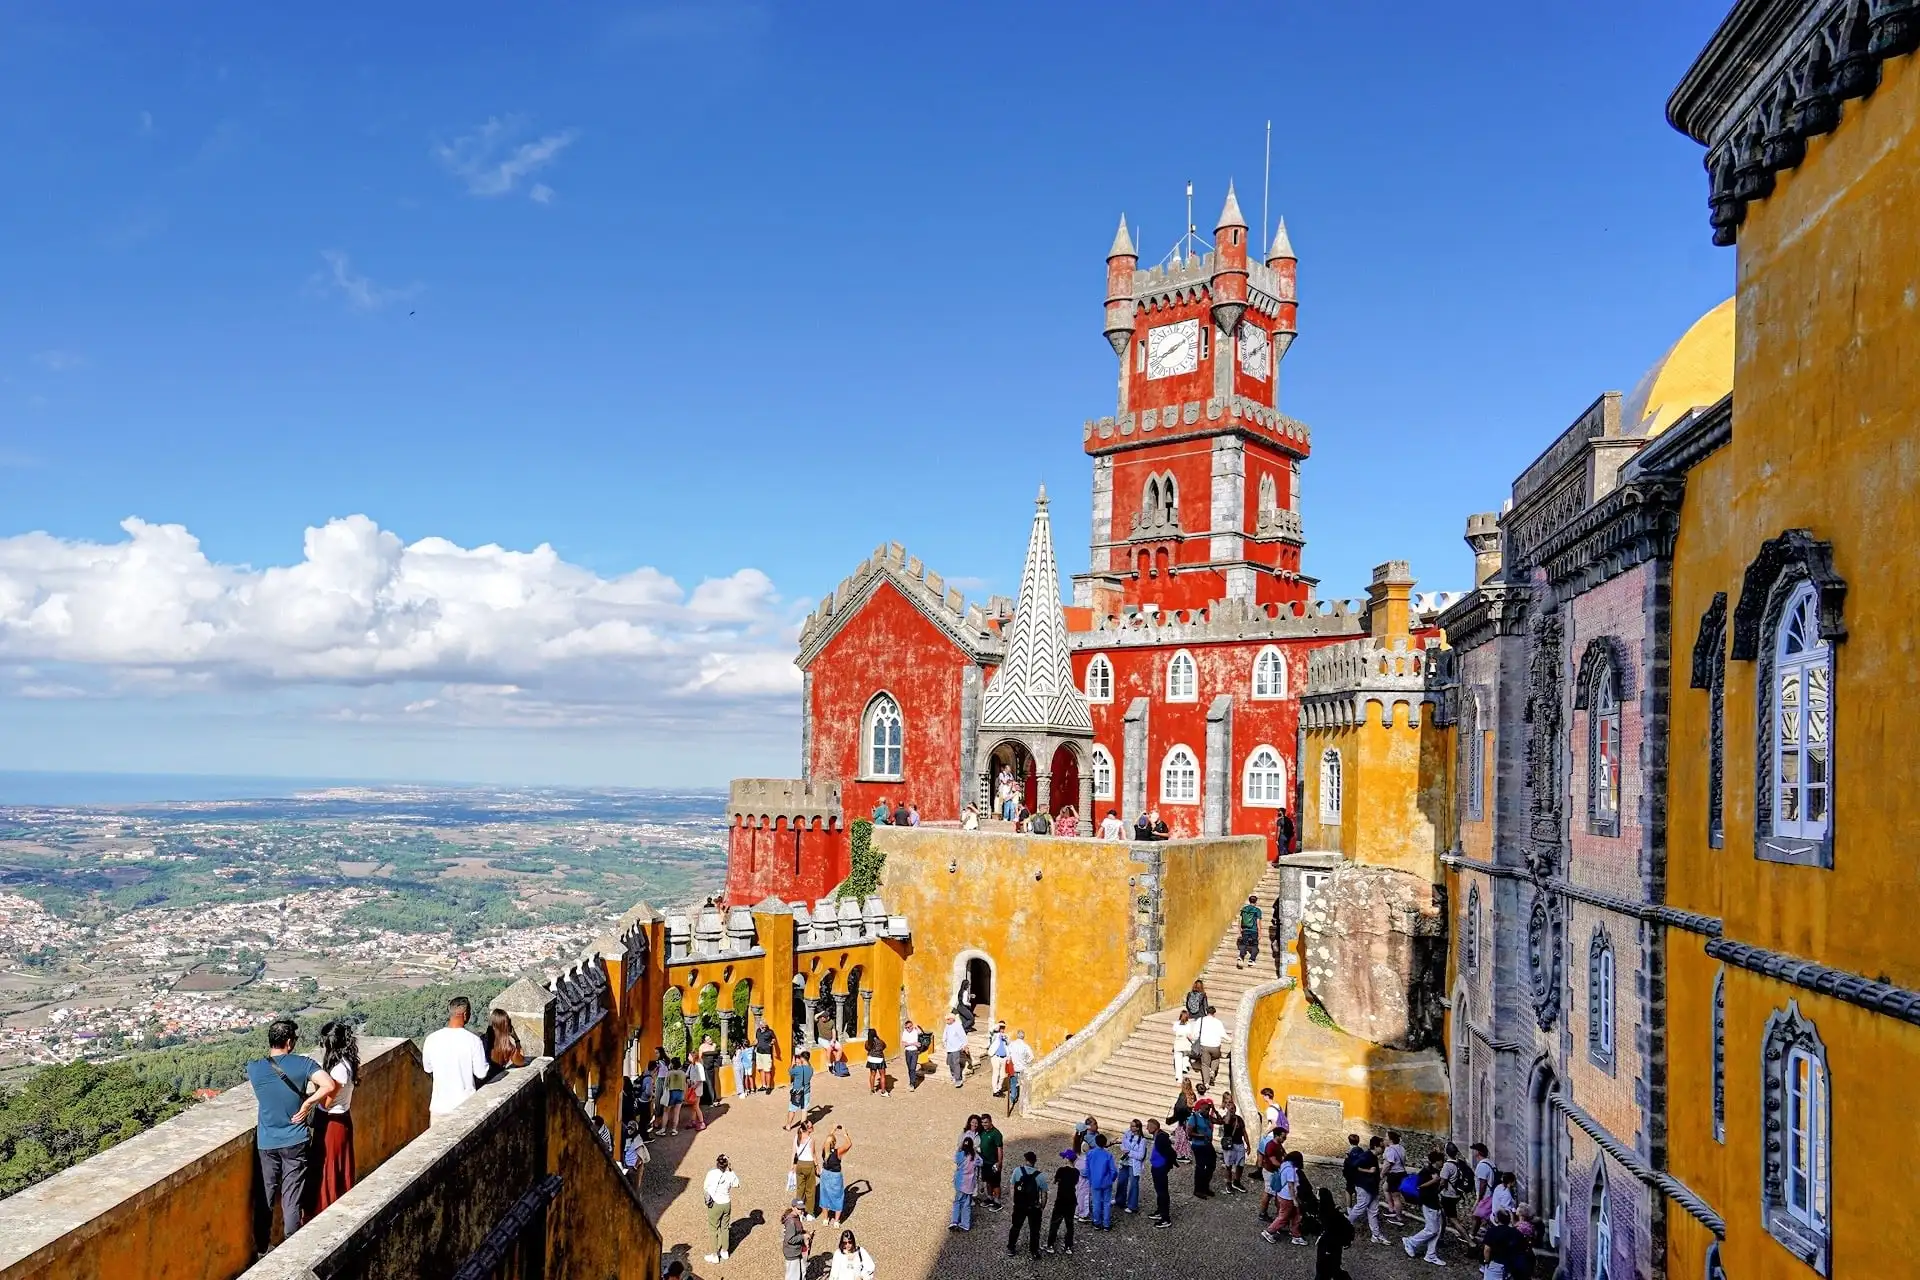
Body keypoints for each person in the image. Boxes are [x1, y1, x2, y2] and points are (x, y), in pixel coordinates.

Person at [247, 1018, 334, 1249]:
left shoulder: (254, 1068)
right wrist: (307, 1104)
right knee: (292, 1196)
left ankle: (262, 1248)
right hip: (296, 1140)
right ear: (289, 1042)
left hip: (267, 1142)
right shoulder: (303, 1064)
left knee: (265, 1196)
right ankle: (291, 1245)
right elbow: (328, 1085)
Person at [305, 1019, 359, 1214]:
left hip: (332, 1123)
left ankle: (325, 1207)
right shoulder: (347, 1063)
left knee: (328, 1166)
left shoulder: (338, 1071)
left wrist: (314, 1092)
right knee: (338, 1165)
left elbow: (325, 1103)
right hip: (342, 1119)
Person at [422, 997, 489, 1124]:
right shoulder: (473, 1041)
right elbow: (481, 1073)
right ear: (465, 1014)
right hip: (465, 1108)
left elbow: (428, 1068)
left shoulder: (431, 1039)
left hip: (439, 1108)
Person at [1403, 1149, 1448, 1265]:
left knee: (1437, 1230)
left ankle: (1430, 1255)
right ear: (1436, 1161)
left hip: (1434, 1202)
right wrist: (1435, 1181)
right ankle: (1411, 1242)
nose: (1443, 1163)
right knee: (1431, 1230)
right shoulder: (1426, 1172)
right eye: (1442, 1161)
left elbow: (1435, 1189)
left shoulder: (1436, 1171)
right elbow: (1419, 1186)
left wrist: (1441, 1186)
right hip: (1428, 1203)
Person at [1346, 1133, 1388, 1244]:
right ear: (1375, 1146)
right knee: (1359, 1208)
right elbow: (1353, 1166)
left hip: (1372, 1188)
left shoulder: (1372, 1156)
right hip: (1364, 1188)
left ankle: (1376, 1235)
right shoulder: (1366, 1156)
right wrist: (1368, 1171)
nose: (1383, 1149)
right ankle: (1344, 1226)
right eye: (1382, 1147)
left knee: (1373, 1211)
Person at [1005, 1151, 1048, 1259]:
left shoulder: (1017, 1171)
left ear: (1026, 1160)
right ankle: (1034, 1251)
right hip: (1033, 1207)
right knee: (1034, 1230)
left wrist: (1014, 1201)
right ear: (1035, 1161)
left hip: (1020, 1205)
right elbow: (1044, 1194)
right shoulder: (1040, 1176)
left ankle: (1011, 1247)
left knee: (1016, 1227)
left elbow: (1012, 1187)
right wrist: (1042, 1207)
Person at [1262, 1150, 1308, 1245]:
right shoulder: (1291, 1170)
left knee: (1296, 1215)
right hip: (1288, 1197)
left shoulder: (1284, 1164)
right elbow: (1291, 1186)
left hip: (1281, 1194)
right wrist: (1294, 1200)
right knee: (1284, 1217)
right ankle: (1269, 1231)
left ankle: (1296, 1234)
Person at [702, 1154, 740, 1265]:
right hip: (726, 1203)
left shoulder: (711, 1173)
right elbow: (736, 1184)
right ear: (727, 1165)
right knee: (725, 1228)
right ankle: (725, 1251)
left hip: (715, 1204)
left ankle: (714, 1255)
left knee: (713, 1229)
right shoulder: (729, 1174)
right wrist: (731, 1170)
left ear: (717, 1163)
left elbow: (705, 1187)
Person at [1045, 1146, 1080, 1255]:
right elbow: (1075, 1183)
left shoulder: (1061, 1170)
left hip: (1061, 1200)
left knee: (1055, 1223)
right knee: (1069, 1224)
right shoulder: (1076, 1172)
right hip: (1071, 1200)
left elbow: (1055, 1181)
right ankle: (1068, 1246)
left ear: (1067, 1159)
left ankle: (1050, 1245)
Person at [1316, 1186, 1356, 1280]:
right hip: (1334, 1246)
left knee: (1325, 1270)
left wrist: (1327, 1248)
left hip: (1329, 1247)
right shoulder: (1333, 1212)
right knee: (1334, 1268)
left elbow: (1331, 1232)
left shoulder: (1327, 1215)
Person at [1481, 1208, 1530, 1280]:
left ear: (1497, 1219)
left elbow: (1487, 1249)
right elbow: (1523, 1248)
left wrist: (1486, 1262)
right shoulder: (1516, 1233)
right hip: (1511, 1265)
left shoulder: (1492, 1231)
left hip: (1496, 1264)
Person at [818, 1124, 852, 1227]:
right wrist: (845, 1134)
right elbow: (849, 1144)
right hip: (835, 1176)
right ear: (834, 1143)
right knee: (838, 1197)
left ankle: (825, 1219)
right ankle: (836, 1221)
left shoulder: (824, 1150)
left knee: (824, 1195)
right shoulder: (838, 1152)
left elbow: (827, 1141)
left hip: (825, 1174)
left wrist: (832, 1130)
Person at [1146, 1118, 1177, 1228]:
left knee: (1162, 1192)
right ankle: (1160, 1211)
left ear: (1154, 1127)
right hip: (1156, 1167)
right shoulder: (1157, 1136)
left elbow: (1171, 1153)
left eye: (1148, 1126)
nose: (1147, 1128)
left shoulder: (1161, 1138)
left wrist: (1167, 1166)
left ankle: (1165, 1218)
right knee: (1159, 1192)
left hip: (1160, 1168)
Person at [1083, 1133, 1117, 1229]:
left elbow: (1087, 1169)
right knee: (1106, 1203)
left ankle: (1097, 1222)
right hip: (1106, 1182)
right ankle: (1106, 1223)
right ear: (1105, 1143)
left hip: (1095, 1181)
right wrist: (1112, 1179)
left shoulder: (1090, 1153)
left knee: (1096, 1202)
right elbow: (1113, 1170)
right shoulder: (1108, 1155)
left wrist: (1090, 1179)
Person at [1186, 1095, 1217, 1198]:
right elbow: (1189, 1132)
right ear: (1200, 1108)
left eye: (1208, 1109)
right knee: (1200, 1167)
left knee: (1211, 1165)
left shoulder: (1208, 1117)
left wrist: (1214, 1110)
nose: (1207, 1111)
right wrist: (1201, 1136)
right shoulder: (1194, 1118)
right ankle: (1198, 1189)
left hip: (1208, 1144)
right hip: (1199, 1145)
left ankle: (1205, 1186)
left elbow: (1220, 1121)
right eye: (1206, 1109)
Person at [482, 1009, 525, 1080]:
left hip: (481, 1081)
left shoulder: (481, 1040)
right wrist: (516, 1039)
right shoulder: (508, 1047)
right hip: (497, 1079)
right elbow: (521, 1062)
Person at [951, 1136, 982, 1231]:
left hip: (960, 1182)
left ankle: (954, 1221)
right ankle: (965, 1224)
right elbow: (981, 1163)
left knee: (957, 1201)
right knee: (966, 1203)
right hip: (969, 1183)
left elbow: (955, 1160)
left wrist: (959, 1148)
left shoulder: (960, 1154)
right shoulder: (975, 1156)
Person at [1220, 1099, 1249, 1194]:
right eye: (1230, 1108)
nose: (1232, 1110)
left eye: (1233, 1108)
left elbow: (1244, 1132)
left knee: (1240, 1165)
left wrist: (1248, 1144)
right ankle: (1228, 1183)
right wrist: (1228, 1112)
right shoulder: (1226, 1118)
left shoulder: (1239, 1119)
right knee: (1229, 1165)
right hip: (1230, 1145)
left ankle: (1237, 1181)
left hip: (1239, 1144)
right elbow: (1226, 1123)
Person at [1118, 1118, 1147, 1216]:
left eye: (1133, 1126)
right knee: (1121, 1181)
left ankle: (1132, 1205)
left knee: (1133, 1184)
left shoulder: (1142, 1140)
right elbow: (1122, 1145)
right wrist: (1124, 1149)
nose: (1130, 1127)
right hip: (1125, 1161)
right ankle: (1120, 1200)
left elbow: (1141, 1155)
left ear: (1138, 1128)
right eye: (1130, 1125)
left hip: (1134, 1164)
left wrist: (1129, 1152)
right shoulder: (1127, 1134)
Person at [1194, 1005, 1227, 1089]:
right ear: (1214, 1013)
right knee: (1216, 1058)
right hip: (1215, 1046)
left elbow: (1195, 1034)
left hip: (1204, 1045)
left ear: (1206, 1012)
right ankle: (1212, 1071)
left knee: (1205, 1064)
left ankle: (1206, 1083)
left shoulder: (1200, 1020)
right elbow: (1223, 1035)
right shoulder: (1218, 1022)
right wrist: (1230, 1040)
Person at [791, 1119, 819, 1218]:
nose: (813, 1127)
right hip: (809, 1164)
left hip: (799, 1164)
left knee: (800, 1189)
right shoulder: (811, 1140)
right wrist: (817, 1166)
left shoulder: (797, 1137)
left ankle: (799, 1211)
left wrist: (792, 1166)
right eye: (811, 1126)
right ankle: (809, 1212)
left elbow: (794, 1153)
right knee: (810, 1190)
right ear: (808, 1129)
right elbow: (813, 1154)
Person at [781, 1198, 812, 1280]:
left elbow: (796, 1232)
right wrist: (803, 1236)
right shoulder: (791, 1221)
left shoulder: (795, 1217)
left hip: (796, 1250)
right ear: (793, 1208)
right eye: (799, 1208)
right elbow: (790, 1239)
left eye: (802, 1208)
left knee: (799, 1273)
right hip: (792, 1252)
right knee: (793, 1276)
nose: (801, 1211)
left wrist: (805, 1232)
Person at [978, 1115, 1005, 1210]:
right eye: (982, 1122)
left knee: (995, 1183)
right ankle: (990, 1198)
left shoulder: (996, 1134)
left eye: (986, 1122)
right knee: (988, 1181)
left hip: (993, 1162)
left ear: (990, 1122)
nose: (984, 1124)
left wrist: (999, 1162)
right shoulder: (982, 1132)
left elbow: (999, 1149)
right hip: (984, 1162)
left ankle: (997, 1202)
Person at [1383, 1129, 1410, 1223]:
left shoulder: (1391, 1150)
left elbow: (1388, 1164)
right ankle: (1391, 1208)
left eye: (1386, 1137)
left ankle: (1398, 1217)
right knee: (1385, 1188)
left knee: (1396, 1197)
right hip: (1402, 1173)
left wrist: (1382, 1174)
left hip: (1394, 1174)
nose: (1384, 1139)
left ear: (1390, 1140)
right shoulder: (1401, 1148)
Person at [1006, 1029, 1034, 1116]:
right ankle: (1022, 1100)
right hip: (1023, 1068)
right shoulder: (1026, 1046)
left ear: (1017, 1035)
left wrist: (1009, 1061)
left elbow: (1008, 1055)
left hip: (1014, 1067)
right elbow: (1031, 1057)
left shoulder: (1012, 1044)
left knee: (1013, 1083)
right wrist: (1026, 1061)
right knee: (1023, 1084)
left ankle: (1013, 1097)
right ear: (1023, 1037)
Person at [789, 1051, 816, 1128]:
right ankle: (803, 1125)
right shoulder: (811, 1069)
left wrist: (793, 1063)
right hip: (806, 1091)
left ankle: (788, 1125)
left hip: (797, 1092)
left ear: (802, 1058)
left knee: (792, 1108)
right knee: (804, 1109)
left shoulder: (798, 1069)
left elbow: (790, 1072)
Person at [1237, 894, 1263, 968]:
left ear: (1249, 901)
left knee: (1244, 944)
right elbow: (1258, 922)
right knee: (1255, 945)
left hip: (1245, 929)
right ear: (1256, 902)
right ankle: (1251, 960)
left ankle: (1241, 956)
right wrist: (1260, 932)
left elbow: (1240, 920)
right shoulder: (1257, 910)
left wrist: (1240, 930)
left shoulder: (1244, 909)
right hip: (1254, 930)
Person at [942, 1013, 969, 1086]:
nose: (946, 1021)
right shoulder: (947, 1025)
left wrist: (965, 1045)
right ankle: (953, 1075)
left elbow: (963, 1036)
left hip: (956, 1048)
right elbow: (945, 1033)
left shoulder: (957, 1026)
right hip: (949, 1048)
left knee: (956, 1063)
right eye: (946, 1019)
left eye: (948, 1019)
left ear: (952, 1019)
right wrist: (944, 1041)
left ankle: (958, 1079)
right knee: (950, 1063)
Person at [683, 1055, 708, 1131]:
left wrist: (695, 1086)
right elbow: (686, 1075)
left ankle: (701, 1122)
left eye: (689, 1056)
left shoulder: (699, 1066)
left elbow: (701, 1079)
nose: (688, 1057)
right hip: (693, 1088)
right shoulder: (691, 1065)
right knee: (693, 1106)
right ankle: (693, 1121)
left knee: (696, 1106)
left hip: (697, 1088)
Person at [755, 1021, 780, 1093]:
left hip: (767, 1053)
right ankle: (764, 1086)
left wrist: (771, 1043)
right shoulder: (758, 1031)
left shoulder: (770, 1032)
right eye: (763, 1027)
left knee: (767, 1070)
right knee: (761, 1069)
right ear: (760, 1026)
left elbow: (774, 1039)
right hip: (759, 1053)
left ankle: (768, 1087)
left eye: (765, 1027)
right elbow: (757, 1040)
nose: (764, 1028)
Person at [1171, 1009, 1195, 1083]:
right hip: (1186, 1044)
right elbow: (1189, 1036)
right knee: (1186, 1055)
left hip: (1178, 1044)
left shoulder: (1176, 1024)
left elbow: (1174, 1031)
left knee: (1177, 1061)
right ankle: (1184, 1066)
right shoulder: (1189, 1025)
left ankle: (1178, 1078)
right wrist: (1193, 1041)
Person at [987, 1022, 1010, 1097]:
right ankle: (995, 1090)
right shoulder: (995, 1035)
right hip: (996, 1057)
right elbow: (990, 1030)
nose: (1002, 1029)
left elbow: (1008, 1046)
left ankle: (999, 1088)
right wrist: (998, 1025)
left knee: (1003, 1075)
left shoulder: (1005, 1036)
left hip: (1004, 1058)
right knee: (996, 1074)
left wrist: (1008, 1057)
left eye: (1003, 1028)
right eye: (1001, 1027)